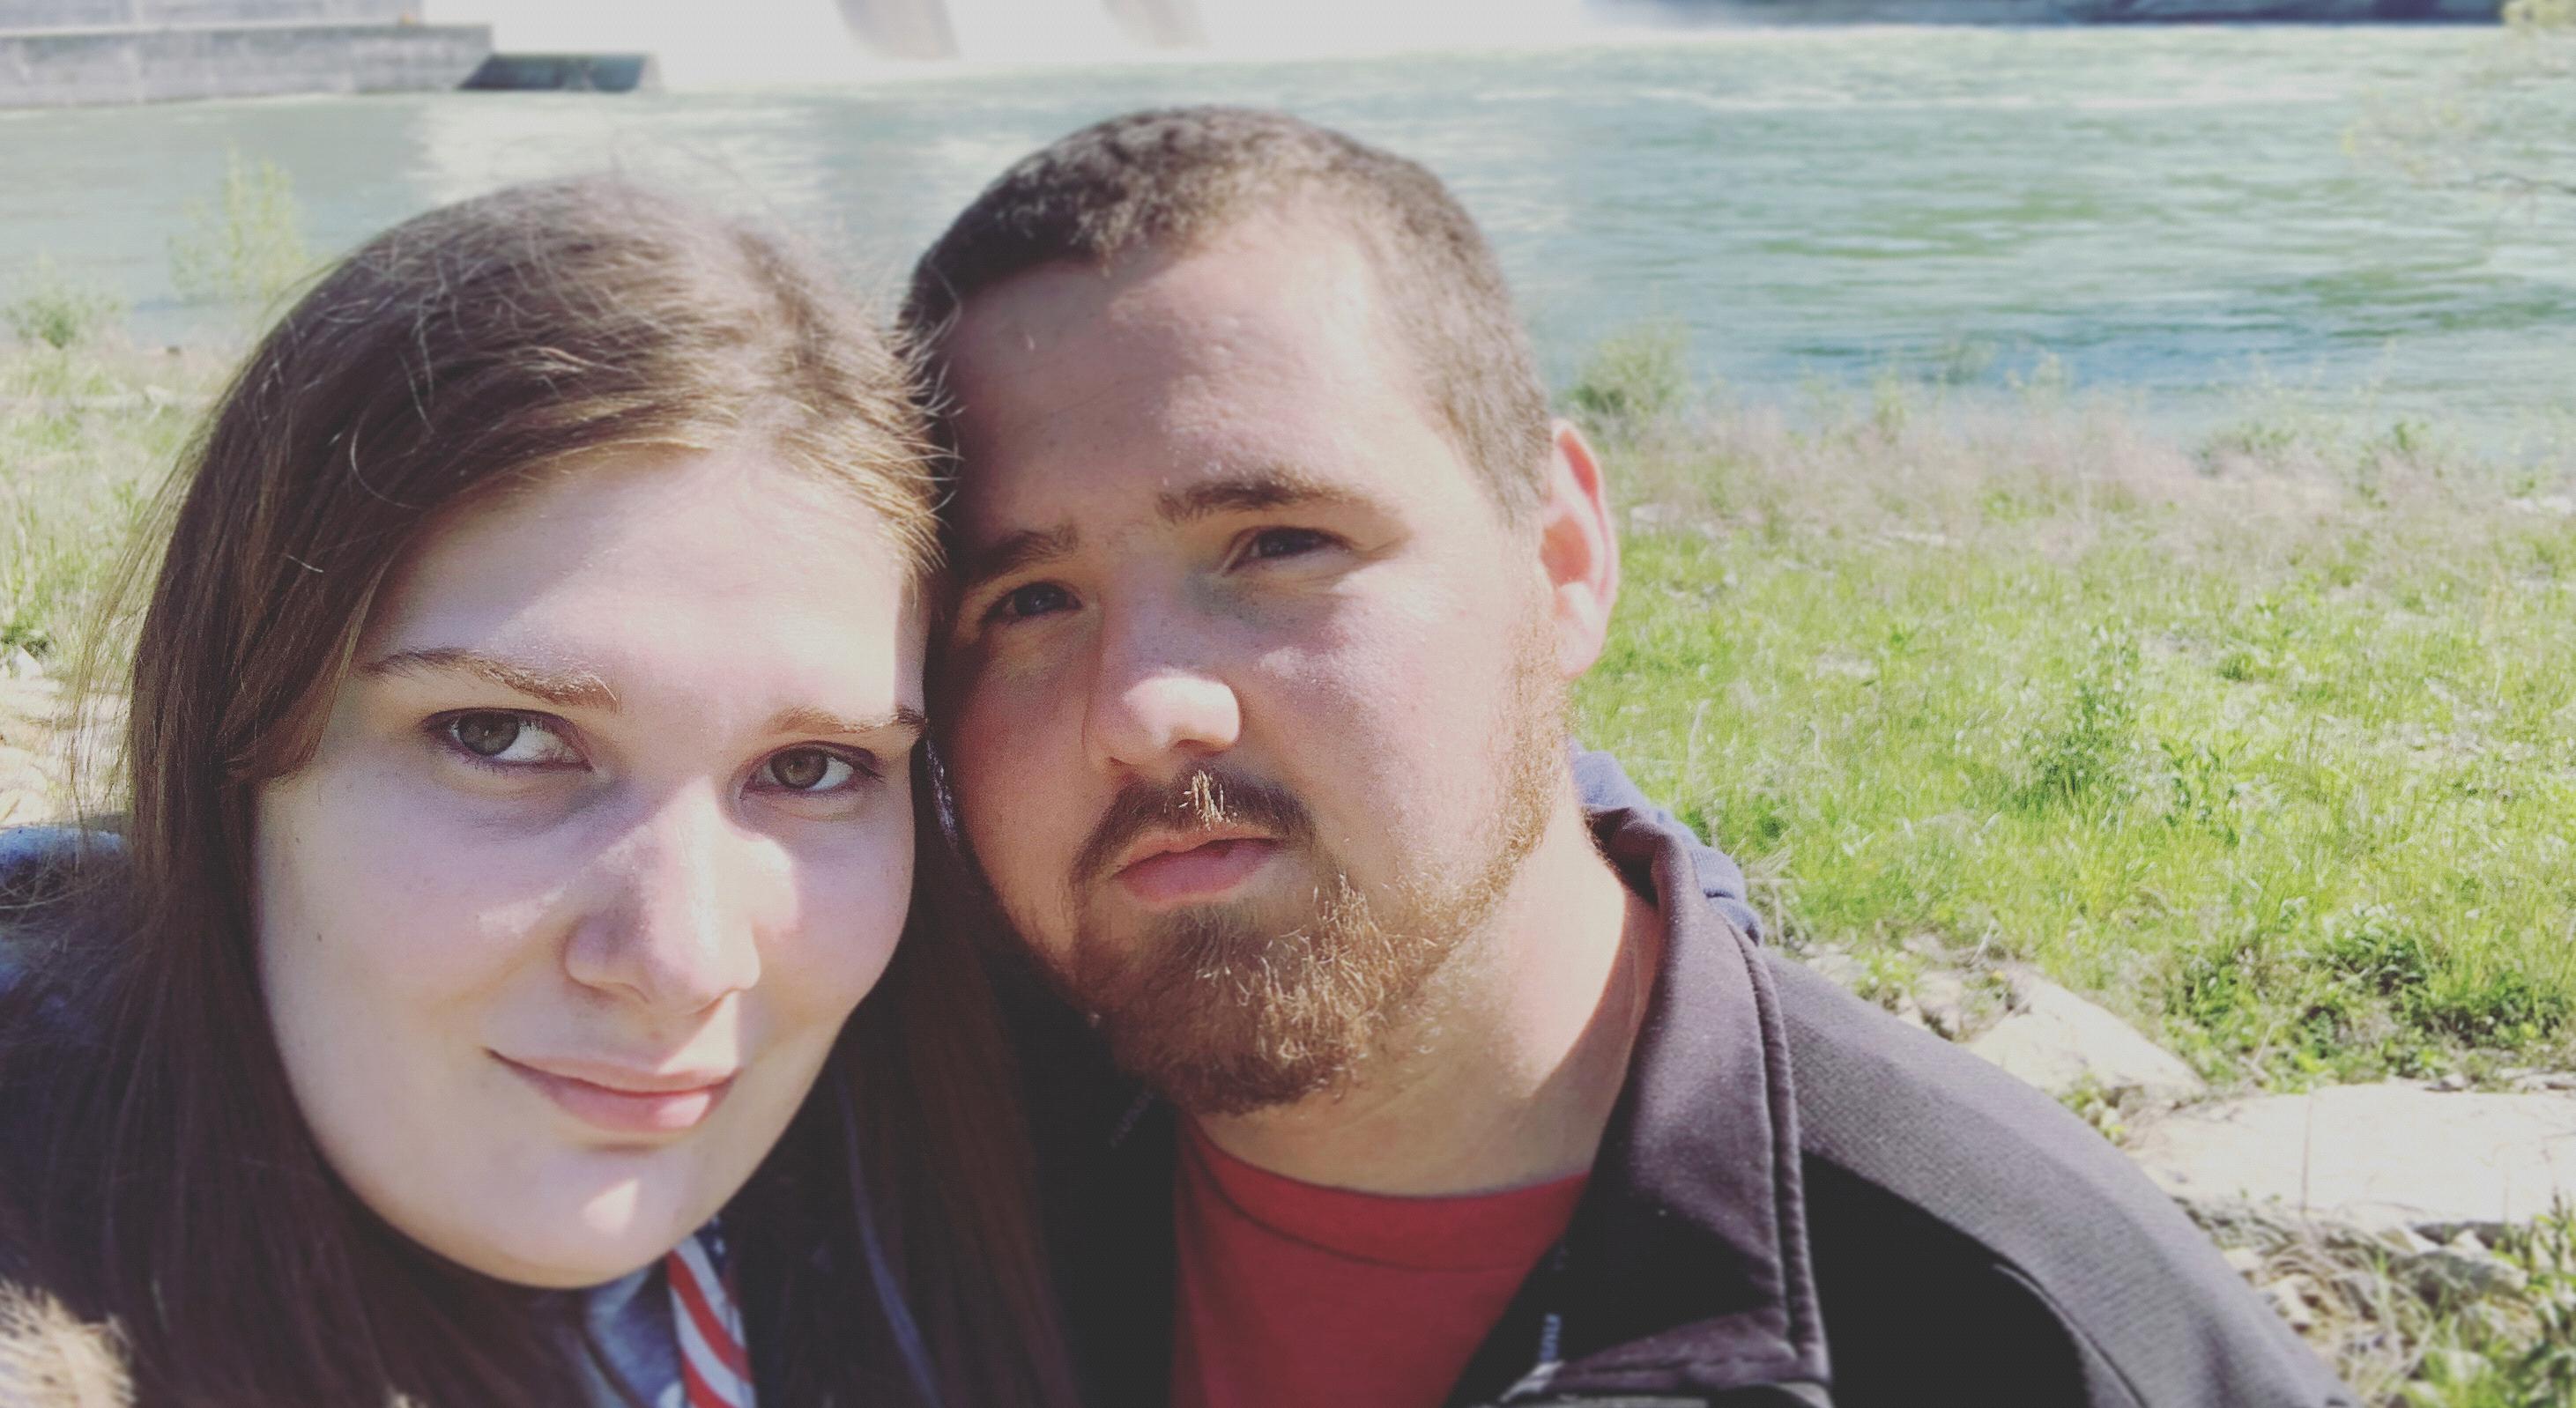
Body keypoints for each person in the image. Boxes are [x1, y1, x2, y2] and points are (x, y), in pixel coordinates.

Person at [902, 107, 2357, 1408]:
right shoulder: (889, 1208)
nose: (1145, 707)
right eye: (1028, 601)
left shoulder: (2018, 1324)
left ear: (1563, 556)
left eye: (1278, 542)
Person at [0, 178, 1074, 1408]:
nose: (681, 961)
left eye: (811, 768)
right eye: (502, 737)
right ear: (229, 750)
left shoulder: (948, 1173)